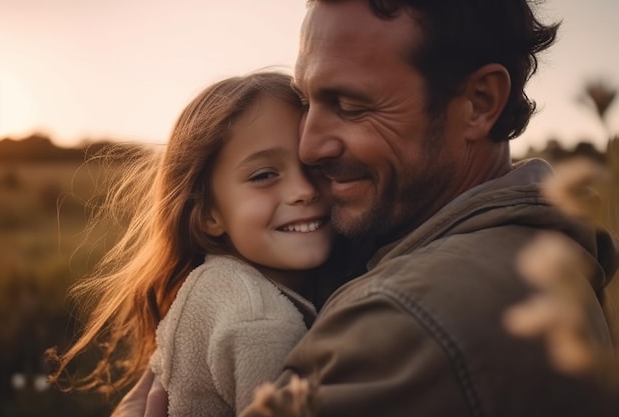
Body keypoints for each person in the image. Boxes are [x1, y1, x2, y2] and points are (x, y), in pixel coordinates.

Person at [118, 0, 619, 416]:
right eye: (308, 101)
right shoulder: (532, 243)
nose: (309, 147)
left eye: (351, 106)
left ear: (479, 102)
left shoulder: (407, 324)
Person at [48, 71, 349, 416]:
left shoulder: (216, 284)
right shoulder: (260, 324)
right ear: (208, 213)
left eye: (316, 166)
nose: (304, 190)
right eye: (264, 175)